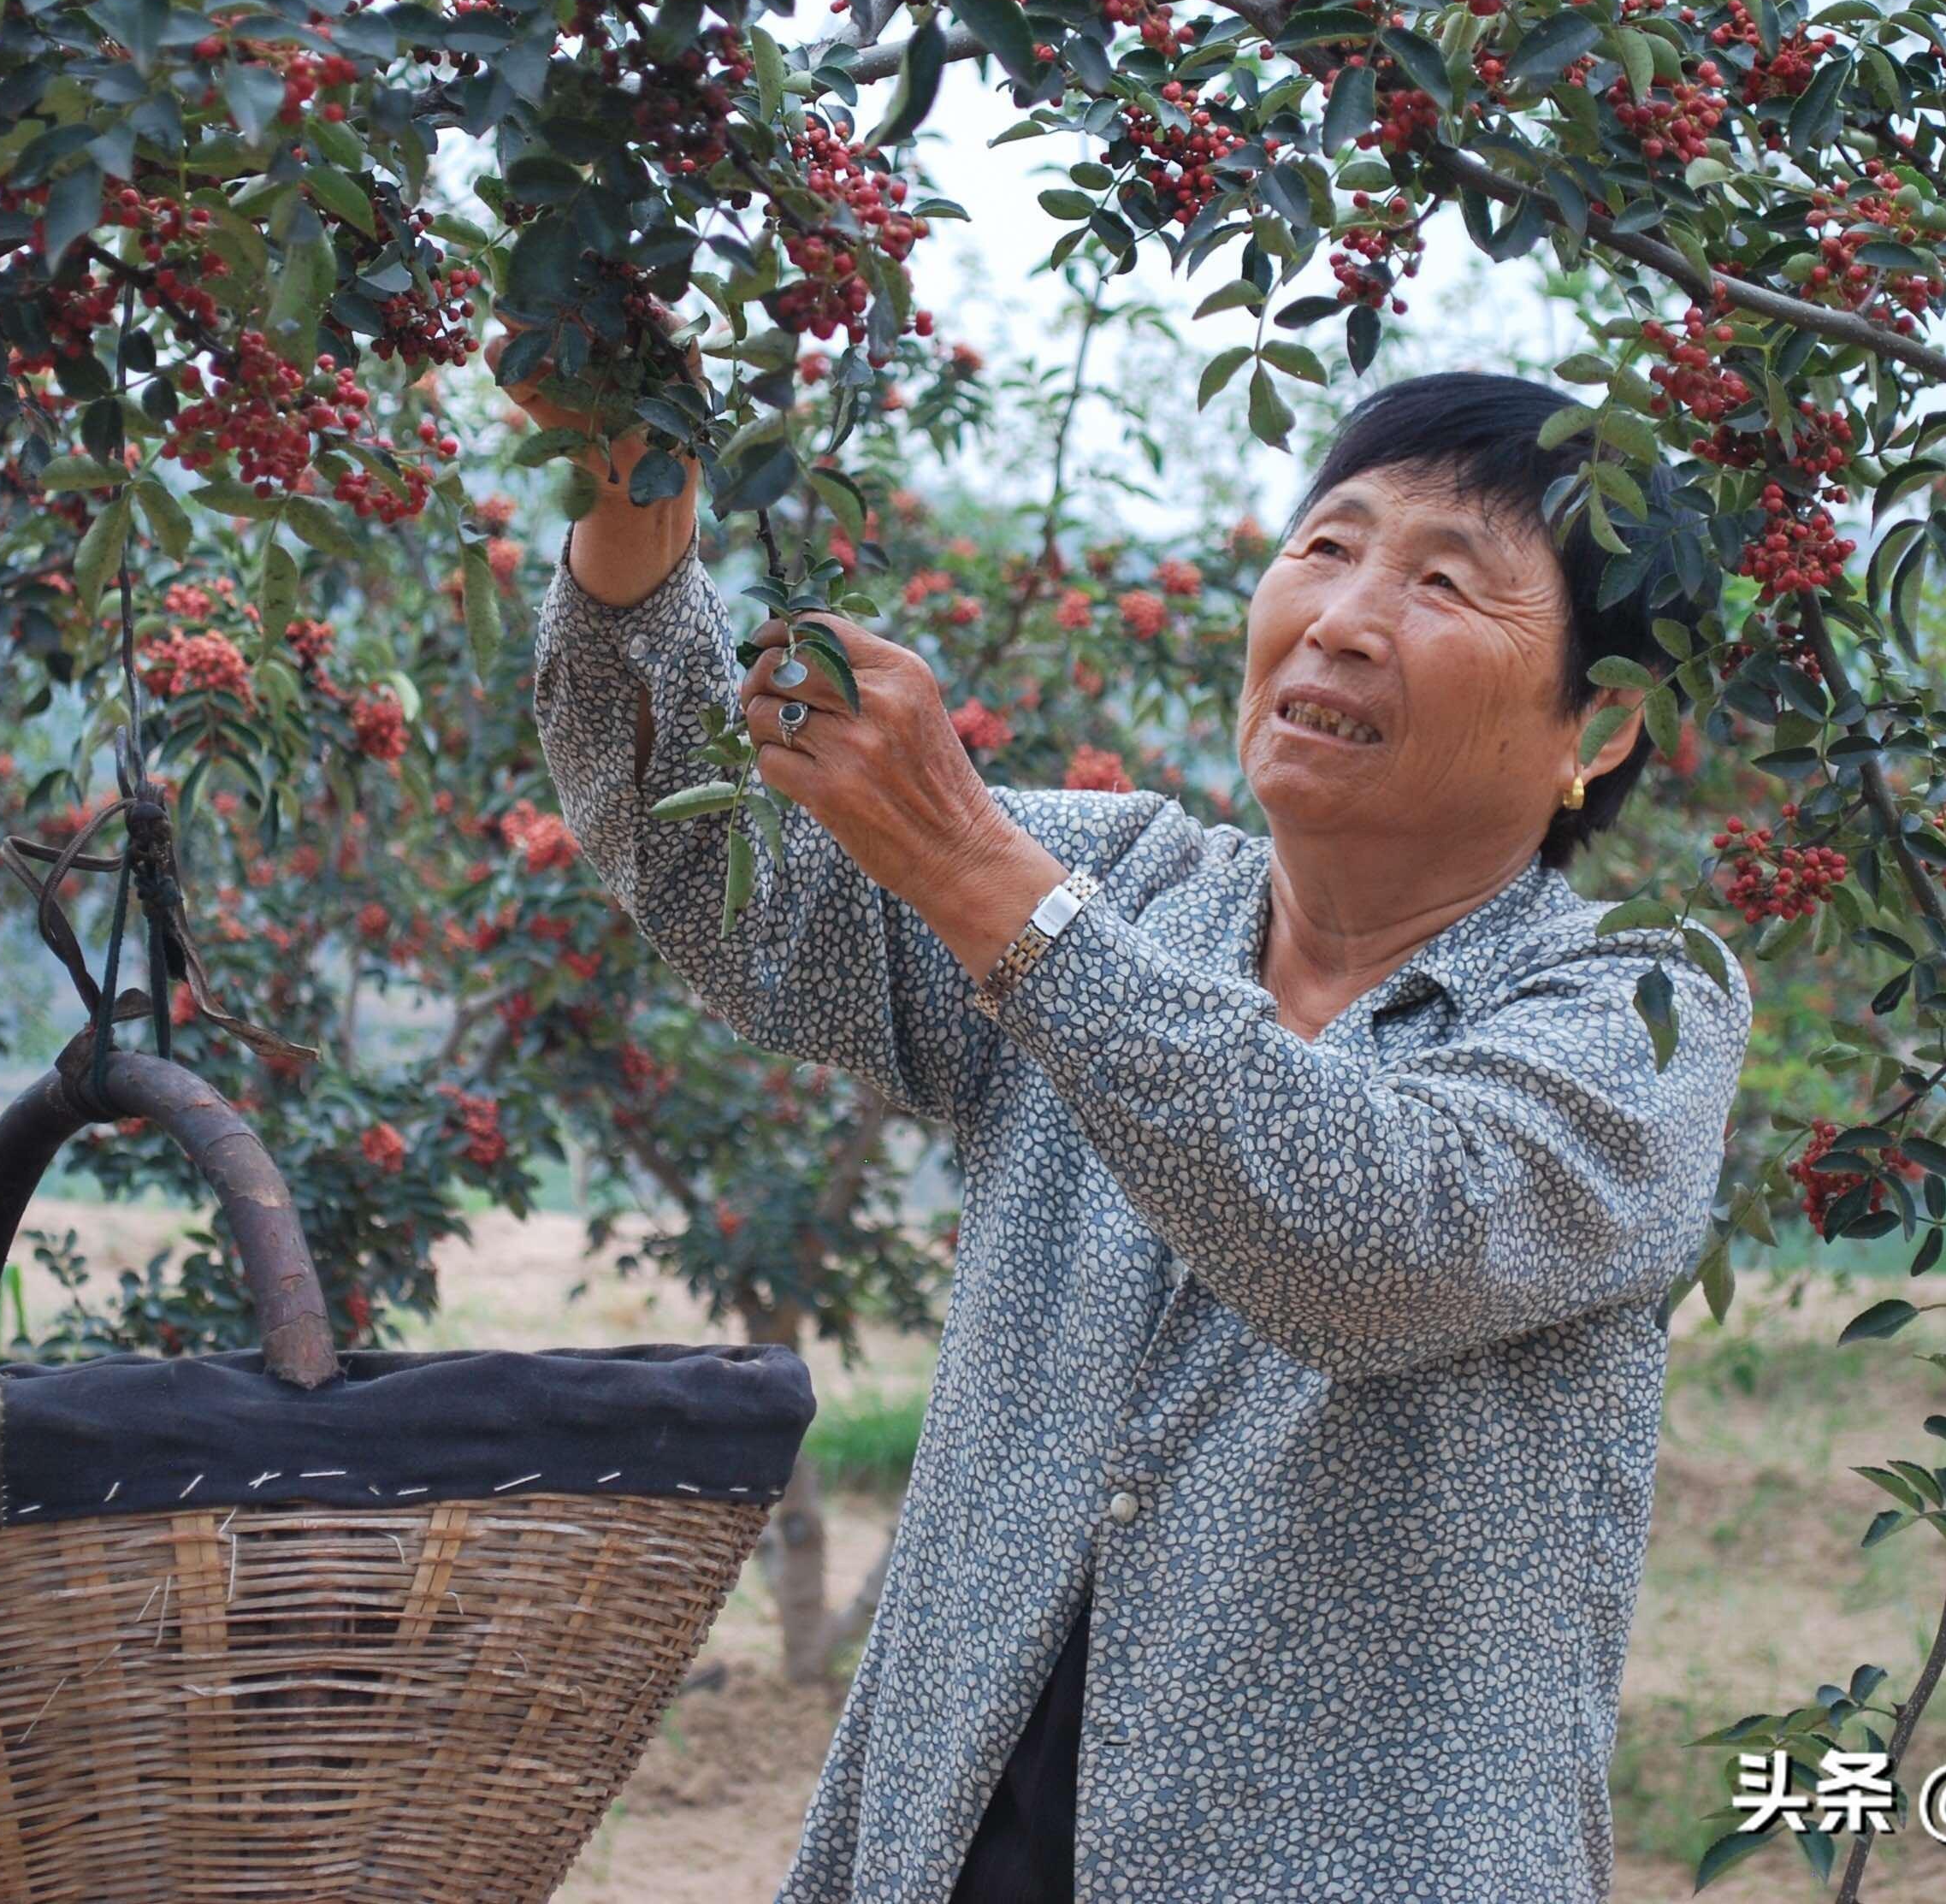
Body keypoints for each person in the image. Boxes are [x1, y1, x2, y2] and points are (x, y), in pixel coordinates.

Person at [518, 362, 1754, 1902]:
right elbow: (730, 883)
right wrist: (635, 534)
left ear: (1606, 722)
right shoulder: (1133, 893)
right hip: (948, 1846)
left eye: (1445, 583)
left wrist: (974, 868)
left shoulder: (1635, 1008)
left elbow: (1370, 1242)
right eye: (1326, 546)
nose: (1347, 617)